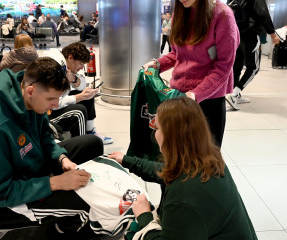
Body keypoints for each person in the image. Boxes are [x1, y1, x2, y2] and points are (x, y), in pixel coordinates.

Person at [109, 97, 257, 240]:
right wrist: (127, 160)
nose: (155, 134)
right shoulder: (209, 158)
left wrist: (144, 216)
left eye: (158, 127)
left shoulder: (183, 197)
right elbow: (166, 170)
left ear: (170, 136)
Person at [0, 57, 103, 237]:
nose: (56, 105)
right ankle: (56, 231)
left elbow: (45, 137)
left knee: (92, 144)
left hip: (32, 170)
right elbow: (4, 193)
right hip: (11, 196)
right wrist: (55, 183)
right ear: (31, 91)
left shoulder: (29, 96)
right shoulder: (3, 125)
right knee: (84, 203)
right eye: (51, 99)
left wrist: (62, 158)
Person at [144, 0, 239, 147]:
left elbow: (224, 66)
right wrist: (157, 64)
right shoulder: (182, 13)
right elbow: (178, 53)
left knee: (205, 159)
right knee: (178, 154)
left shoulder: (222, 15)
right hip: (180, 95)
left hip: (208, 99)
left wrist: (196, 94)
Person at [225, 0, 280, 110]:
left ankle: (232, 93)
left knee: (237, 65)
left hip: (236, 35)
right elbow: (262, 12)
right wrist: (272, 34)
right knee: (253, 67)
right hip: (251, 34)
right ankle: (235, 94)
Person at [45, 42, 113, 145]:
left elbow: (82, 84)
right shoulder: (56, 69)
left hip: (54, 106)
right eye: (81, 64)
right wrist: (79, 97)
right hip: (48, 114)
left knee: (87, 92)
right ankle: (80, 146)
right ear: (70, 57)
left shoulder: (66, 68)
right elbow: (53, 103)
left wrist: (74, 79)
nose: (82, 67)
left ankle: (90, 131)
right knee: (79, 112)